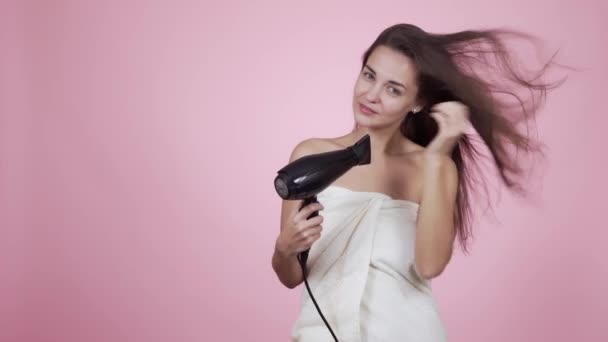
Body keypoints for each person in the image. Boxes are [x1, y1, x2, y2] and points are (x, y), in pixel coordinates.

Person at [271, 23, 562, 341]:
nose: (372, 95)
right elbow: (291, 277)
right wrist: (284, 248)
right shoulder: (310, 155)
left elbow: (430, 264)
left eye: (393, 89)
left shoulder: (433, 168)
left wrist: (438, 159)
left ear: (417, 102)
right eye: (369, 75)